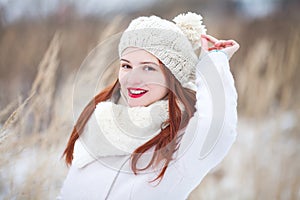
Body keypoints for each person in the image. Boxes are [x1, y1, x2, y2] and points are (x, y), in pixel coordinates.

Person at [58, 12, 239, 199]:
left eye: (148, 68)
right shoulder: (100, 121)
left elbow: (219, 128)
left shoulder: (181, 141)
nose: (132, 79)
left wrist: (214, 65)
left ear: (173, 77)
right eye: (127, 66)